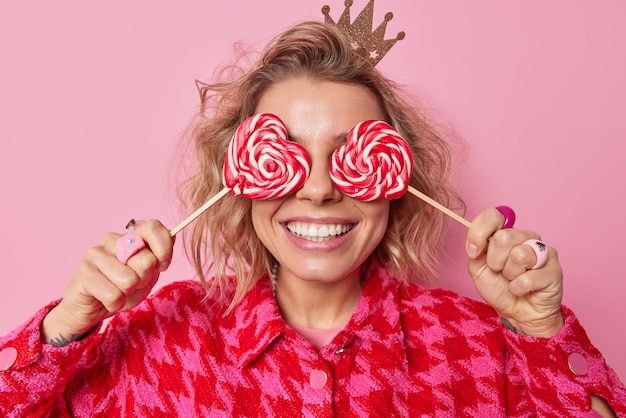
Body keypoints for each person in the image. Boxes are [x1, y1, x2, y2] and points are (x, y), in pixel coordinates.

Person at [1, 3, 625, 417]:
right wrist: (68, 322)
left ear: (397, 178)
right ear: (240, 176)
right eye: (287, 152)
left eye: (352, 153)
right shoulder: (166, 340)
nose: (320, 188)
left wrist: (542, 333)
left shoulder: (479, 345)